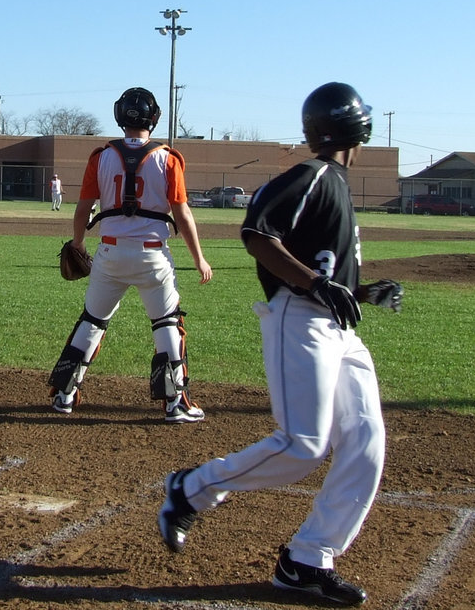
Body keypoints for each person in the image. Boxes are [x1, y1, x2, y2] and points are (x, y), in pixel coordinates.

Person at [157, 82, 403, 606]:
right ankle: (191, 490)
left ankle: (307, 560)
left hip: (339, 331)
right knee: (304, 444)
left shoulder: (334, 181)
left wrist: (362, 291)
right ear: (355, 126)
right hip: (301, 320)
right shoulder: (312, 175)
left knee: (366, 441)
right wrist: (315, 286)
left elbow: (325, 271)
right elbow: (257, 234)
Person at [47, 87, 212, 423]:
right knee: (166, 322)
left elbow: (83, 208)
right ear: (154, 118)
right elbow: (182, 214)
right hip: (153, 257)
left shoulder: (101, 156)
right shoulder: (169, 158)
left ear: (119, 115)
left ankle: (64, 395)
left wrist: (78, 242)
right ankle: (174, 402)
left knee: (93, 320)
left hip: (110, 253)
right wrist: (199, 258)